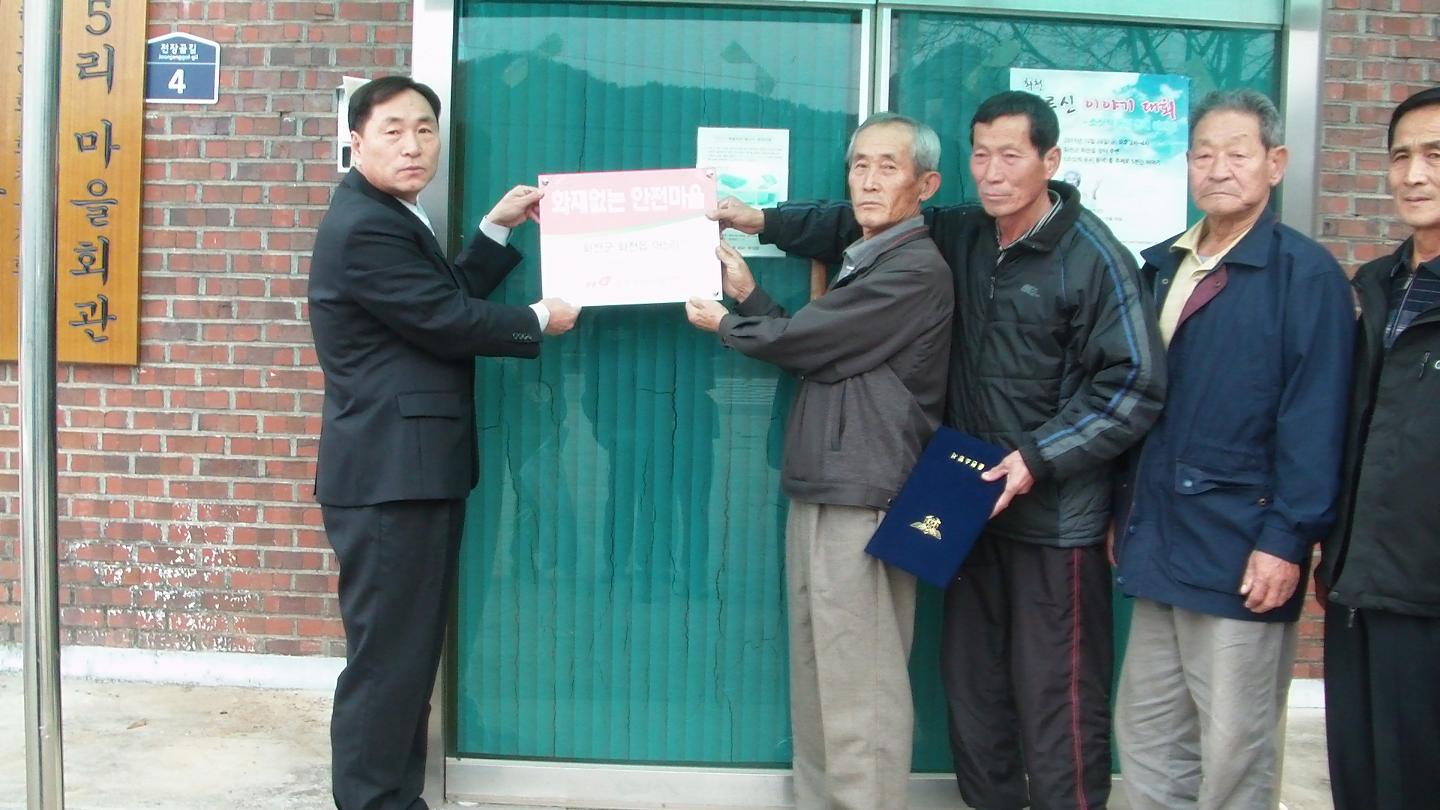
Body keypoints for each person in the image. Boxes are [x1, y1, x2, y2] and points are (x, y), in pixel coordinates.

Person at [713, 91, 1165, 810]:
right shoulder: (965, 231)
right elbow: (854, 218)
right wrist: (759, 219)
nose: (993, 172)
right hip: (963, 497)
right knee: (974, 689)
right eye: (981, 154)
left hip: (1052, 508)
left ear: (1051, 160)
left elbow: (1135, 383)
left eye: (1011, 155)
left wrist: (1038, 458)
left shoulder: (1092, 256)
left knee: (1056, 694)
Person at [306, 75, 578, 810]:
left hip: (408, 472)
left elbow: (436, 299)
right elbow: (444, 320)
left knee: (405, 653)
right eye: (392, 130)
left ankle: (396, 797)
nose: (413, 145)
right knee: (387, 660)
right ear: (355, 141)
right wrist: (536, 317)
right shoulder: (365, 225)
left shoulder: (391, 215)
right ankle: (372, 801)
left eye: (425, 129)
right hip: (389, 477)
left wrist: (495, 228)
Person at [687, 112, 951, 809]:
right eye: (860, 165)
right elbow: (822, 347)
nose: (870, 180)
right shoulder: (870, 257)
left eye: (888, 166)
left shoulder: (914, 268)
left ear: (925, 185)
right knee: (820, 671)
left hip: (866, 492)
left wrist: (728, 322)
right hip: (827, 483)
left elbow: (808, 343)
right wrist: (749, 295)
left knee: (861, 682)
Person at [1110, 88, 1354, 810]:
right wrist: (1125, 512)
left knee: (1233, 753)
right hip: (1160, 540)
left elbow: (1317, 419)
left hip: (1242, 549)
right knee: (1149, 738)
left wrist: (1286, 540)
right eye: (1203, 154)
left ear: (1275, 163)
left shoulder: (1304, 275)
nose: (1218, 168)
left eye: (1237, 154)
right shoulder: (1165, 266)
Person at [1317, 84, 1440, 810]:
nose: (1414, 175)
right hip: (1357, 585)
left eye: (1435, 155)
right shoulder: (1379, 287)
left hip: (1427, 596)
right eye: (1401, 156)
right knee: (1360, 781)